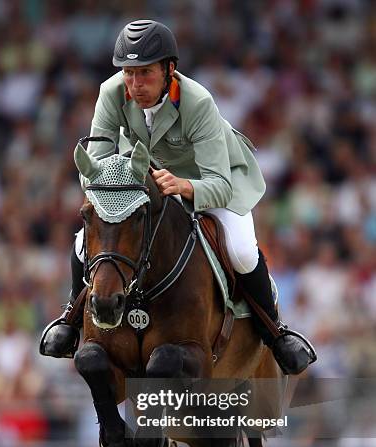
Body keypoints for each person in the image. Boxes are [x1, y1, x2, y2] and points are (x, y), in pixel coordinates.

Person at [40, 20, 316, 375]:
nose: (135, 85)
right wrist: (117, 184)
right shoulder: (111, 93)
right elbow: (94, 165)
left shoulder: (197, 102)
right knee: (84, 241)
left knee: (242, 248)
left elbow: (220, 184)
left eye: (145, 73)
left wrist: (184, 186)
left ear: (170, 69)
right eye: (128, 73)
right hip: (140, 185)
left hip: (210, 180)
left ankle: (276, 332)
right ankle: (72, 319)